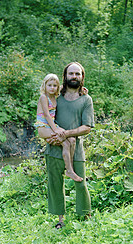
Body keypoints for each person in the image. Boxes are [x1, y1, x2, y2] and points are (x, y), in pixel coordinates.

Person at [45, 62, 94, 229]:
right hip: (54, 148)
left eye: (77, 74)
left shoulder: (86, 100)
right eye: (71, 74)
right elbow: (45, 118)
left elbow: (86, 127)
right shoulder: (55, 98)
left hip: (76, 149)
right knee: (55, 184)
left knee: (80, 183)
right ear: (65, 76)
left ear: (82, 77)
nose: (74, 77)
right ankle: (60, 220)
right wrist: (50, 136)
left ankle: (85, 217)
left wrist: (66, 134)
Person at [35, 73, 83, 182]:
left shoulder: (54, 95)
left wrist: (82, 89)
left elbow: (67, 86)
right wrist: (56, 130)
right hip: (43, 126)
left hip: (51, 125)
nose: (52, 88)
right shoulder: (44, 97)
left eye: (54, 86)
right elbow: (47, 115)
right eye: (49, 85)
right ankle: (69, 170)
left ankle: (70, 166)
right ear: (44, 86)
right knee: (65, 142)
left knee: (71, 139)